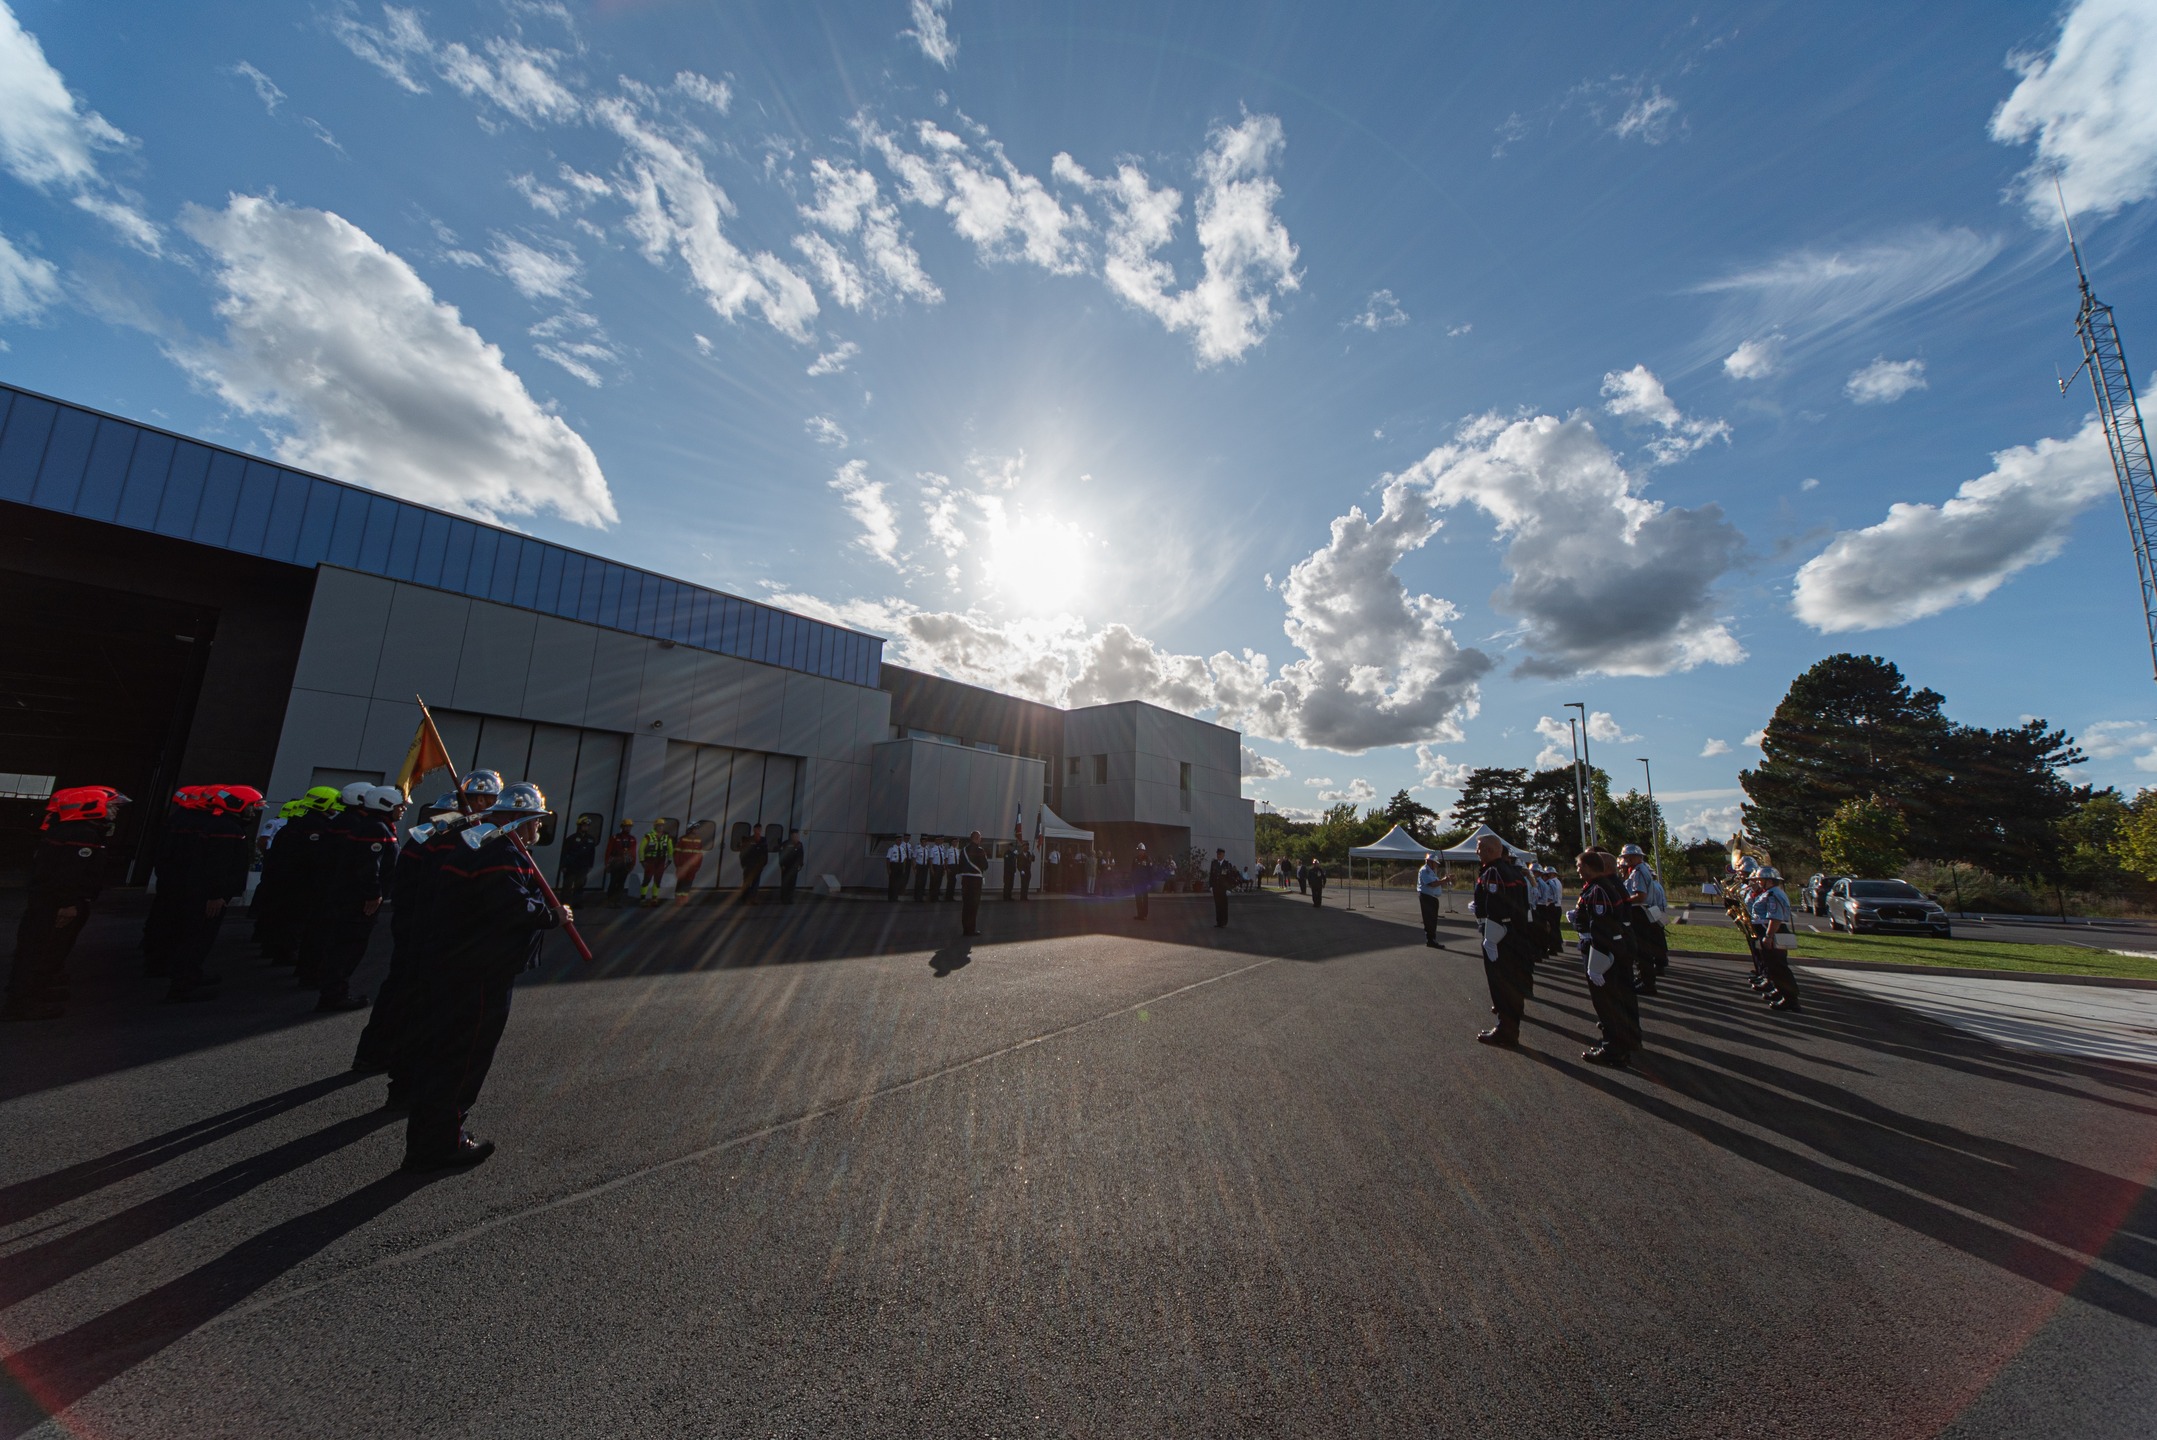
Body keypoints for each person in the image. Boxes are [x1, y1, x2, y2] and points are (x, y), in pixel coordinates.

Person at [399, 781, 569, 1172]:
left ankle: (432, 1137)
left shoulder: (480, 843)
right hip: (479, 969)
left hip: (459, 963)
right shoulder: (499, 850)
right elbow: (510, 907)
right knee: (463, 1056)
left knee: (445, 1053)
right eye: (535, 821)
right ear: (520, 819)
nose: (538, 829)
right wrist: (553, 916)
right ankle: (441, 1143)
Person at [352, 791, 458, 1082]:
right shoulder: (442, 840)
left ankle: (376, 1051)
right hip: (421, 925)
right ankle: (385, 1054)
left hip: (410, 921)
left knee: (399, 987)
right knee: (407, 991)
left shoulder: (424, 835)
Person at [3, 786, 129, 1021]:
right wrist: (68, 903)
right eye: (111, 806)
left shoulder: (67, 829)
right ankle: (21, 1003)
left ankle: (33, 992)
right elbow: (69, 873)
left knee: (41, 949)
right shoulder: (82, 834)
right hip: (56, 903)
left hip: (48, 900)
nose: (115, 811)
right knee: (41, 950)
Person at [162, 785, 263, 1004]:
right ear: (237, 805)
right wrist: (216, 895)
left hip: (202, 893)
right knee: (197, 938)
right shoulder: (227, 829)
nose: (253, 812)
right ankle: (182, 986)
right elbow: (217, 865)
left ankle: (191, 975)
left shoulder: (219, 825)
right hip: (208, 897)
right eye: (251, 807)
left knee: (197, 937)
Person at [314, 784, 405, 1013]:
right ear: (386, 805)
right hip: (358, 902)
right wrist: (373, 893)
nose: (402, 810)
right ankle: (334, 994)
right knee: (348, 948)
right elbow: (368, 866)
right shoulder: (375, 829)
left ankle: (333, 991)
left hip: (352, 898)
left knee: (345, 947)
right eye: (399, 805)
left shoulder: (372, 826)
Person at [1572, 848, 1644, 1066]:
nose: (1578, 870)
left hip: (1604, 952)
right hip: (1614, 948)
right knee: (1615, 1000)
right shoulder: (1606, 886)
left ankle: (1613, 1048)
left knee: (1607, 1002)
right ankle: (1621, 1042)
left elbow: (1602, 927)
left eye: (1580, 866)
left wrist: (1598, 960)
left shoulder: (1599, 890)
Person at [1470, 835, 1535, 1046]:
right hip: (1515, 933)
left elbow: (1496, 907)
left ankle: (1506, 1030)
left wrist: (1490, 938)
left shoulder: (1493, 872)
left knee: (1501, 984)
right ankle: (1510, 1024)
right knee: (1512, 981)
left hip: (1499, 935)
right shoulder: (1513, 871)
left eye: (1479, 848)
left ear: (1490, 850)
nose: (1477, 852)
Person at [1748, 866, 1802, 1012]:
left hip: (1773, 932)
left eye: (1761, 879)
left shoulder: (1772, 894)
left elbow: (1775, 918)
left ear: (1770, 881)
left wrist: (1769, 936)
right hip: (1769, 931)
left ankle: (1790, 999)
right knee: (1772, 966)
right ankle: (1781, 991)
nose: (1758, 882)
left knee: (1778, 967)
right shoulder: (1770, 893)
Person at [1618, 844, 1670, 995]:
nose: (1626, 860)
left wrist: (1623, 900)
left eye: (1628, 857)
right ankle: (1643, 979)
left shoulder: (1638, 872)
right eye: (1625, 857)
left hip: (1639, 912)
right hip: (1642, 912)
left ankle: (1647, 982)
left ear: (1637, 857)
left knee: (1642, 950)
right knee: (1641, 949)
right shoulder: (1639, 870)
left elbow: (1641, 896)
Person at [557, 816, 598, 903]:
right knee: (567, 885)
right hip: (571, 866)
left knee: (580, 885)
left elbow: (592, 854)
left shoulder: (590, 839)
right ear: (579, 826)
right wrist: (563, 866)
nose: (586, 827)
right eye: (584, 825)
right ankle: (565, 903)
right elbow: (565, 853)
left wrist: (590, 865)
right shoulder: (571, 839)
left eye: (587, 826)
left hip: (583, 866)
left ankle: (577, 903)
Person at [958, 829, 989, 936]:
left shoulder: (963, 850)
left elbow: (960, 865)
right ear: (976, 838)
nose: (981, 839)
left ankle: (965, 929)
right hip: (975, 880)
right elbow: (985, 866)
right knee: (973, 906)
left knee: (966, 905)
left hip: (965, 880)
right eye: (980, 837)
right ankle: (971, 929)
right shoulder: (980, 851)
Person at [638, 821, 674, 907]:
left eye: (662, 826)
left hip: (661, 860)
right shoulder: (648, 836)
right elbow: (641, 849)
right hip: (650, 860)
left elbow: (670, 849)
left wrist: (669, 859)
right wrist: (642, 860)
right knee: (647, 879)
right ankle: (642, 899)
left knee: (658, 880)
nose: (660, 827)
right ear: (655, 826)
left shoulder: (667, 837)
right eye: (659, 826)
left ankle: (654, 899)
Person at [603, 820, 637, 906]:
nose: (628, 828)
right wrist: (607, 863)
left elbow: (633, 853)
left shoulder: (632, 839)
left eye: (629, 827)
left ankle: (617, 901)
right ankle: (610, 900)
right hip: (615, 863)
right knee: (613, 882)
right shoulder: (615, 838)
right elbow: (608, 851)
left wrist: (633, 864)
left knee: (621, 883)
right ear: (622, 827)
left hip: (626, 864)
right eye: (626, 826)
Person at [1415, 853, 1446, 948]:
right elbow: (1431, 884)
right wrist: (1444, 880)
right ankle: (1430, 940)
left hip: (1431, 897)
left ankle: (1432, 939)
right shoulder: (1425, 870)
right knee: (1429, 919)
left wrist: (1443, 880)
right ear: (1430, 862)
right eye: (1435, 863)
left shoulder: (1430, 871)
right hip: (1427, 897)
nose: (1436, 865)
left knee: (1432, 919)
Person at [673, 822, 708, 902]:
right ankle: (678, 900)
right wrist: (678, 866)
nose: (696, 830)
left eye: (696, 829)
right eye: (695, 829)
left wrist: (697, 866)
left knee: (688, 882)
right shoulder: (682, 839)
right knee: (681, 882)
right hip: (682, 866)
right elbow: (676, 853)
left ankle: (684, 899)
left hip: (693, 867)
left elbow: (699, 855)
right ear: (690, 829)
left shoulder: (698, 840)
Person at [738, 823, 769, 906]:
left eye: (759, 829)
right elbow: (742, 853)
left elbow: (765, 853)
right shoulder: (748, 840)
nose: (758, 831)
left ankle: (752, 899)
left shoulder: (763, 840)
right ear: (754, 830)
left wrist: (763, 864)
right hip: (749, 866)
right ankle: (745, 899)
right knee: (747, 883)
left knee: (755, 884)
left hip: (758, 867)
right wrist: (744, 864)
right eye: (756, 829)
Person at [1209, 848, 1237, 927]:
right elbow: (1211, 875)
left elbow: (1230, 877)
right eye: (1217, 854)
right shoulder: (1214, 863)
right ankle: (1218, 922)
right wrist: (1211, 886)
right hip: (1216, 888)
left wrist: (1229, 889)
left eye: (1220, 854)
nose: (1218, 856)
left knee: (1223, 906)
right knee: (1217, 905)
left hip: (1223, 889)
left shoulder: (1227, 864)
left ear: (1223, 855)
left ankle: (1224, 922)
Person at [778, 830, 806, 904]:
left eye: (797, 836)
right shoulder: (785, 844)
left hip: (794, 867)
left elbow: (801, 855)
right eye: (794, 836)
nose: (796, 837)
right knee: (785, 883)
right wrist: (782, 865)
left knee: (792, 884)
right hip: (786, 867)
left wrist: (800, 865)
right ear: (791, 836)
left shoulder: (799, 844)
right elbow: (781, 855)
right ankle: (784, 899)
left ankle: (790, 899)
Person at [1131, 843, 1152, 920]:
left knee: (1144, 898)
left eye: (1141, 850)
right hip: (1137, 882)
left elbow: (1150, 872)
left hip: (1144, 882)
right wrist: (1132, 881)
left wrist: (1149, 883)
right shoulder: (1135, 859)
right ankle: (1139, 914)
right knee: (1138, 898)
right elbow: (1132, 870)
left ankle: (1144, 915)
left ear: (1144, 851)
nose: (1139, 851)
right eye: (1139, 850)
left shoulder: (1148, 859)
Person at [887, 836, 909, 901]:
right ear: (895, 840)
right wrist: (888, 869)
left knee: (898, 882)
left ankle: (895, 897)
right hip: (894, 865)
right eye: (898, 840)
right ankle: (891, 898)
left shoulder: (902, 849)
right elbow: (888, 859)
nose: (900, 841)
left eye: (900, 840)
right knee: (892, 882)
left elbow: (904, 859)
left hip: (900, 865)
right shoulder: (891, 849)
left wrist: (904, 868)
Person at [943, 837, 961, 903]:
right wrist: (947, 868)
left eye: (956, 842)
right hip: (950, 866)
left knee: (954, 882)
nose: (956, 843)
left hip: (956, 867)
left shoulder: (957, 850)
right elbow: (946, 859)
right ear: (952, 842)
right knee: (950, 882)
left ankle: (951, 897)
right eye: (955, 842)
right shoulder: (948, 850)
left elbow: (958, 860)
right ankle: (947, 897)